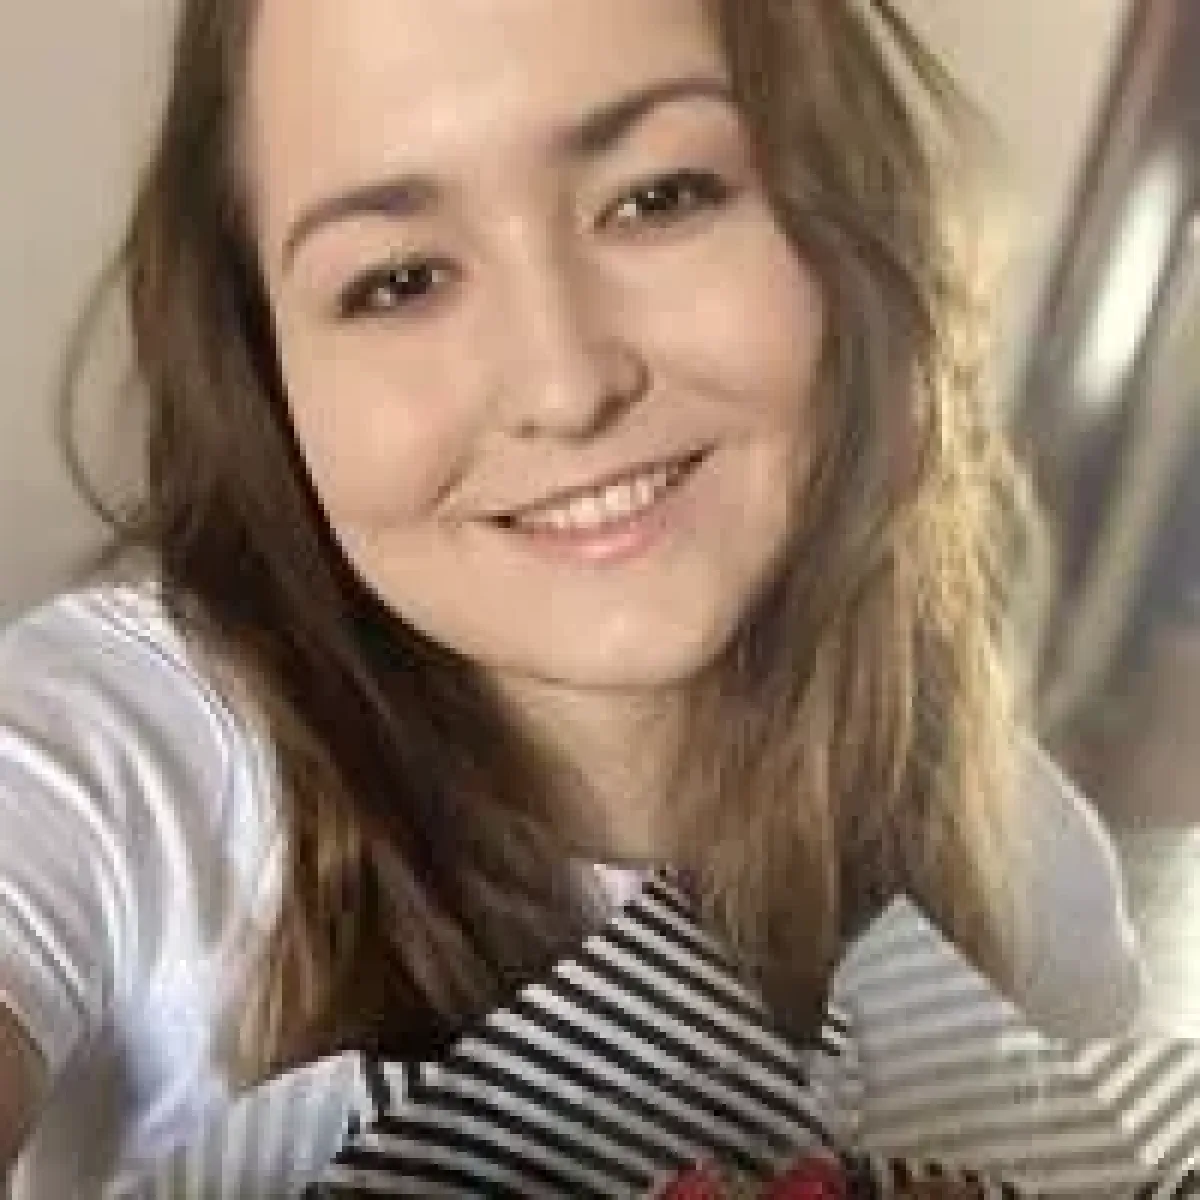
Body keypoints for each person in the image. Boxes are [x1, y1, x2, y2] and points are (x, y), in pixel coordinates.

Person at [0, 0, 1147, 1194]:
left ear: (856, 207)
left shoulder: (1028, 870)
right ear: (265, 371)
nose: (565, 384)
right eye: (400, 281)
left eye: (659, 198)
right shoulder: (114, 751)